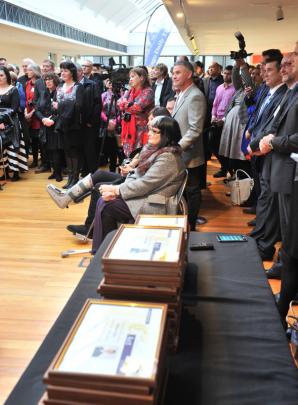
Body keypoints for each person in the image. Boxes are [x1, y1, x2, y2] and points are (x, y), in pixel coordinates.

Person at [46, 107, 172, 238]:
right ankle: (68, 197)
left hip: (140, 186)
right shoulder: (156, 141)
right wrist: (132, 165)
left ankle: (89, 228)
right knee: (99, 174)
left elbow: (149, 179)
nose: (148, 124)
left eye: (151, 120)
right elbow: (142, 155)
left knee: (97, 188)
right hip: (135, 177)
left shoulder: (164, 152)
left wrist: (129, 174)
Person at [91, 116, 185, 252]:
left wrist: (116, 190)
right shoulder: (156, 150)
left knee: (107, 206)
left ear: (167, 134)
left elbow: (145, 184)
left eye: (154, 131)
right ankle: (101, 252)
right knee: (103, 201)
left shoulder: (168, 158)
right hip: (147, 196)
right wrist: (117, 192)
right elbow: (136, 175)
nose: (149, 133)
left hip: (155, 203)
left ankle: (105, 252)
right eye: (150, 130)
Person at [171, 60, 206, 230]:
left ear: (189, 74)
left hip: (189, 153)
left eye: (178, 72)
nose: (174, 76)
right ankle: (184, 222)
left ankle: (191, 225)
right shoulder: (183, 94)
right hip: (181, 153)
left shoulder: (195, 96)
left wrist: (178, 147)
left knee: (192, 190)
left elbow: (195, 129)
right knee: (184, 190)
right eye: (173, 72)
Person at [54, 61, 84, 189]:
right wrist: (60, 106)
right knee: (66, 151)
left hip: (74, 124)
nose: (63, 73)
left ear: (72, 72)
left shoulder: (78, 86)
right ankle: (70, 178)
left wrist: (60, 105)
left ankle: (75, 178)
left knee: (74, 151)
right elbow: (54, 104)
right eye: (61, 70)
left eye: (65, 70)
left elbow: (78, 106)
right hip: (62, 124)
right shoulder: (60, 87)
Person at [118, 67, 154, 157]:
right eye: (130, 77)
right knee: (128, 155)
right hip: (128, 126)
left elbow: (137, 107)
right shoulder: (130, 91)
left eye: (133, 76)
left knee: (139, 154)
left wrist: (125, 104)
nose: (130, 79)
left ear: (141, 78)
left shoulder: (148, 91)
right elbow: (119, 103)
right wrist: (127, 104)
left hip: (142, 129)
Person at [0, 66, 28, 181]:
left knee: (12, 147)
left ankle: (15, 171)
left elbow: (15, 108)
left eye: (1, 75)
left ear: (7, 76)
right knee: (2, 148)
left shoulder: (13, 89)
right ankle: (5, 171)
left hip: (11, 122)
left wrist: (2, 120)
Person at [35, 72, 63, 182]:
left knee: (56, 150)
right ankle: (54, 171)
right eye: (46, 80)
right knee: (48, 150)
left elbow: (62, 110)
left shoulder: (60, 92)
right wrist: (42, 119)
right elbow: (37, 109)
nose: (47, 82)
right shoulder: (43, 93)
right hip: (45, 125)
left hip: (56, 126)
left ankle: (58, 173)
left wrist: (52, 120)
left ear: (55, 81)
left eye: (50, 80)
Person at [209, 65, 235, 178]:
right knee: (212, 145)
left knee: (226, 147)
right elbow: (215, 104)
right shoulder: (219, 87)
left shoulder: (235, 89)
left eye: (229, 73)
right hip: (216, 120)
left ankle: (228, 170)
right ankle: (225, 167)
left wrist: (224, 120)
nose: (226, 75)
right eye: (225, 73)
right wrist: (213, 116)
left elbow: (234, 108)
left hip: (228, 122)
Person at [100, 79, 121, 172]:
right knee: (109, 147)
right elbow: (100, 110)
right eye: (109, 82)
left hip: (118, 124)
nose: (111, 84)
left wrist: (116, 121)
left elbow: (123, 111)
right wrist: (107, 121)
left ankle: (119, 168)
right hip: (106, 124)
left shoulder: (122, 94)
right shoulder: (103, 95)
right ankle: (110, 168)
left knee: (118, 148)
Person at [24, 63, 42, 169]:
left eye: (30, 70)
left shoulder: (40, 83)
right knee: (33, 140)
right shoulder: (28, 83)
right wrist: (27, 112)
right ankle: (35, 160)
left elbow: (40, 101)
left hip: (38, 115)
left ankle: (44, 161)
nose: (27, 72)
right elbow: (26, 100)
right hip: (29, 115)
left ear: (35, 71)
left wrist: (32, 112)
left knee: (40, 139)